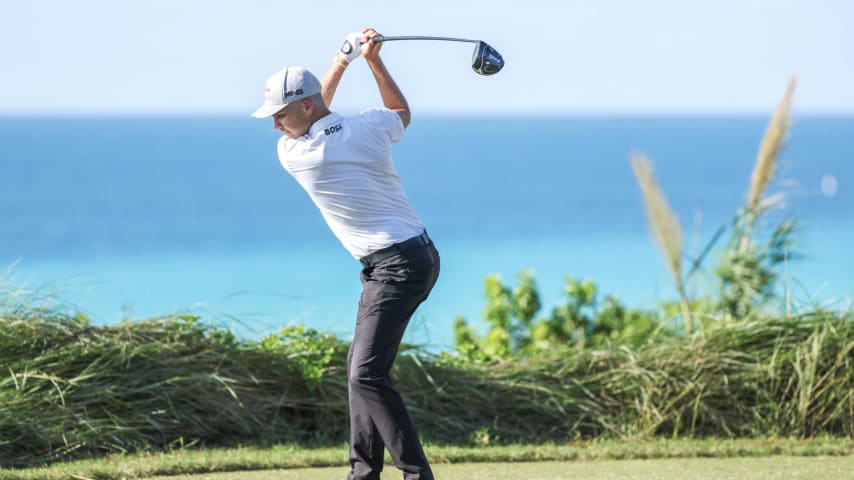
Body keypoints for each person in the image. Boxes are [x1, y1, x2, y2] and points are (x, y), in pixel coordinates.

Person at [251, 28, 439, 480]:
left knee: (366, 376)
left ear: (305, 108)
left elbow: (319, 112)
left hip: (396, 266)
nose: (276, 125)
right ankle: (362, 473)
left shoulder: (297, 153)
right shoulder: (368, 127)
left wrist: (343, 60)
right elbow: (400, 113)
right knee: (360, 370)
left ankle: (416, 475)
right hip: (410, 257)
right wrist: (372, 60)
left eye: (279, 115)